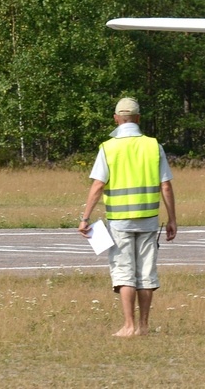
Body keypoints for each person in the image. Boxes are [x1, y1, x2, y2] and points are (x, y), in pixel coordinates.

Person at [78, 97, 177, 337]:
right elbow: (165, 185)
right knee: (146, 273)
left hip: (120, 220)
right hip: (148, 218)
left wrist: (85, 218)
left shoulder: (108, 147)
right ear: (138, 118)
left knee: (124, 272)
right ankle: (143, 325)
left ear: (116, 119)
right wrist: (172, 219)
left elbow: (98, 185)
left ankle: (129, 325)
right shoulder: (153, 146)